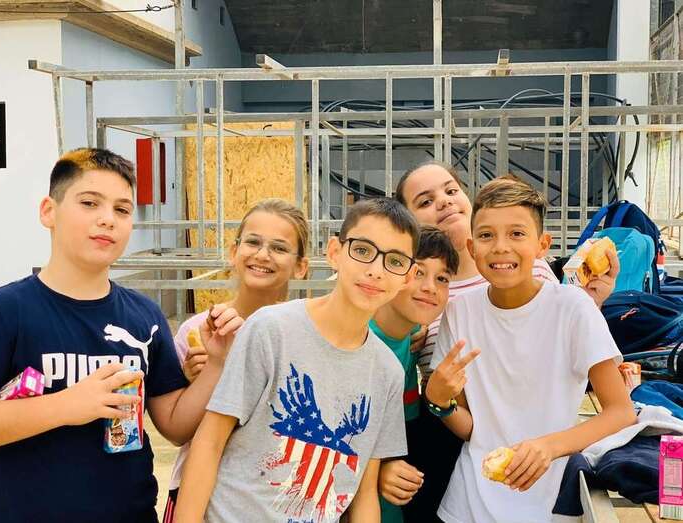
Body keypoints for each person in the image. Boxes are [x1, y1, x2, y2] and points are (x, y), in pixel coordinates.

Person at [0, 148, 240, 522]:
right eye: (89, 203)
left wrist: (216, 365)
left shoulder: (145, 316)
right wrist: (66, 405)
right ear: (48, 211)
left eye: (122, 210)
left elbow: (174, 425)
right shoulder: (3, 312)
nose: (107, 219)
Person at [394, 161, 619, 521]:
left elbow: (620, 411)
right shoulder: (457, 310)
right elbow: (473, 428)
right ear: (473, 246)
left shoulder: (572, 305)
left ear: (542, 245)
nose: (501, 247)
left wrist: (549, 446)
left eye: (516, 234)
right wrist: (438, 401)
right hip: (466, 500)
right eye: (486, 236)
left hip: (543, 500)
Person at [174, 198, 419, 523]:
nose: (375, 269)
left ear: (408, 277)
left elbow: (363, 491)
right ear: (334, 252)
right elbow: (210, 442)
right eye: (362, 250)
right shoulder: (270, 328)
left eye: (395, 261)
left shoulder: (388, 371)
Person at [163, 199, 309, 522]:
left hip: (271, 501)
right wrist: (200, 381)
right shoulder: (196, 332)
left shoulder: (306, 337)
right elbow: (177, 430)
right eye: (253, 242)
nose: (262, 255)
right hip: (198, 499)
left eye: (279, 248)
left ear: (301, 266)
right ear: (234, 251)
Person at [370, 226, 458, 523]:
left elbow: (399, 436)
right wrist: (377, 471)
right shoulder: (358, 341)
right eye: (418, 272)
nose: (430, 287)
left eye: (442, 278)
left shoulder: (408, 343)